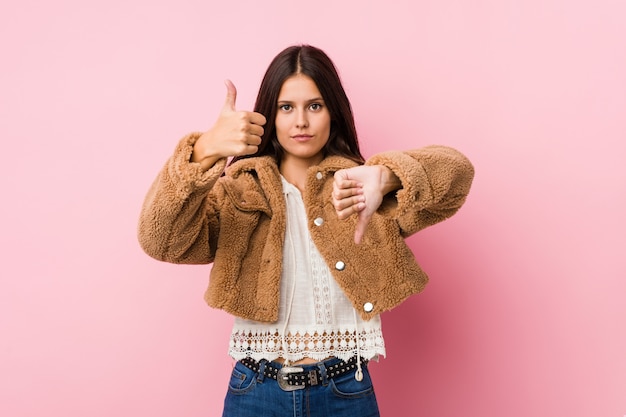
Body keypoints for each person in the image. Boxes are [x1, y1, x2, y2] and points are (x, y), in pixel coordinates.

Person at [138, 44, 474, 417]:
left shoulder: (360, 189)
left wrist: (386, 177)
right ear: (269, 115)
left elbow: (457, 175)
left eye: (314, 106)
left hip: (346, 391)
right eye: (286, 107)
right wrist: (203, 150)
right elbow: (160, 239)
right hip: (256, 392)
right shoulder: (237, 192)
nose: (301, 121)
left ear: (333, 112)